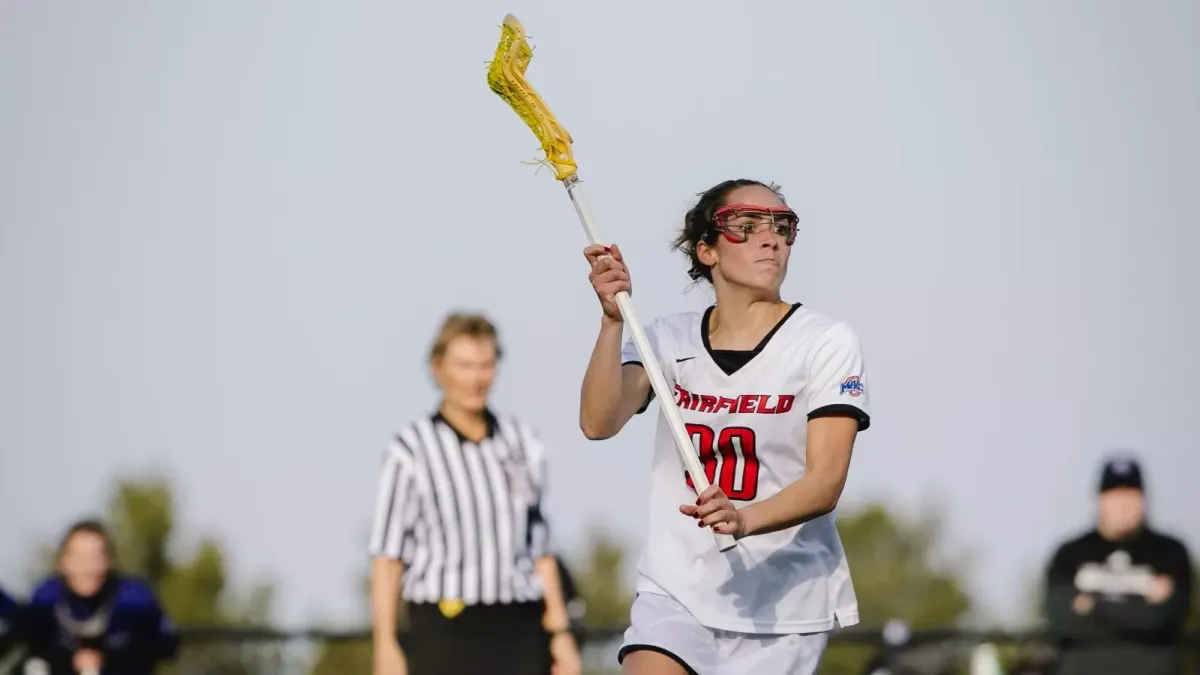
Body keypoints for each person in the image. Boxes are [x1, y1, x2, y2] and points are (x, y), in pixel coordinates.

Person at [579, 179, 871, 675]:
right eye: (746, 226)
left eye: (782, 226)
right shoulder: (666, 340)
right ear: (707, 249)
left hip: (784, 606)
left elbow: (825, 482)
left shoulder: (825, 342)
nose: (770, 238)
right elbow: (598, 421)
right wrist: (611, 321)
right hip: (678, 590)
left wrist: (745, 518)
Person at [368, 312, 582, 675]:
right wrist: (385, 644)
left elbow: (541, 549)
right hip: (446, 624)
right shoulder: (411, 450)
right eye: (465, 365)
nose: (476, 378)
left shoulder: (522, 442)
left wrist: (560, 633)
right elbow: (388, 558)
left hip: (520, 624)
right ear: (439, 368)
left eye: (486, 365)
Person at [1044, 456, 1193, 675]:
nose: (1123, 505)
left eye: (1130, 495)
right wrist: (1139, 609)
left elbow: (1164, 619)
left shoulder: (1170, 553)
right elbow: (1061, 620)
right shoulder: (1070, 554)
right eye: (1115, 495)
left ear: (1144, 499)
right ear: (1100, 499)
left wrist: (1091, 606)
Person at [22, 519, 179, 675]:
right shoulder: (45, 598)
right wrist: (70, 659)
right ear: (64, 562)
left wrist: (109, 657)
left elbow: (168, 646)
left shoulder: (134, 598)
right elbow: (29, 648)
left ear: (108, 561)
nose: (89, 568)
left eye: (96, 557)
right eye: (80, 558)